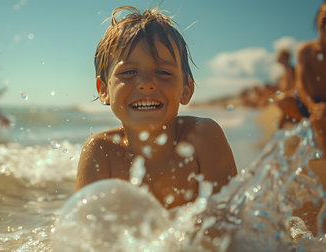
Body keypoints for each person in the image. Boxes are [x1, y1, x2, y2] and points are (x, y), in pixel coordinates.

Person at [74, 5, 237, 209]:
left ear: (186, 89)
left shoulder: (203, 137)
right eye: (128, 72)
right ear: (104, 90)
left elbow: (230, 222)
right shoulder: (101, 152)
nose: (146, 83)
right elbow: (83, 233)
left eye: (164, 72)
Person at [292, 2, 326, 236]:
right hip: (310, 101)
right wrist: (313, 106)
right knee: (283, 101)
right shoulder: (306, 50)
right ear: (317, 20)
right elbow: (300, 84)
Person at [273, 49, 304, 129]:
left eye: (279, 56)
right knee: (279, 125)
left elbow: (298, 88)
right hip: (287, 101)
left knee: (281, 100)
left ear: (285, 57)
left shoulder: (293, 70)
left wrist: (286, 94)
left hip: (295, 101)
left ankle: (300, 120)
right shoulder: (283, 74)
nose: (277, 58)